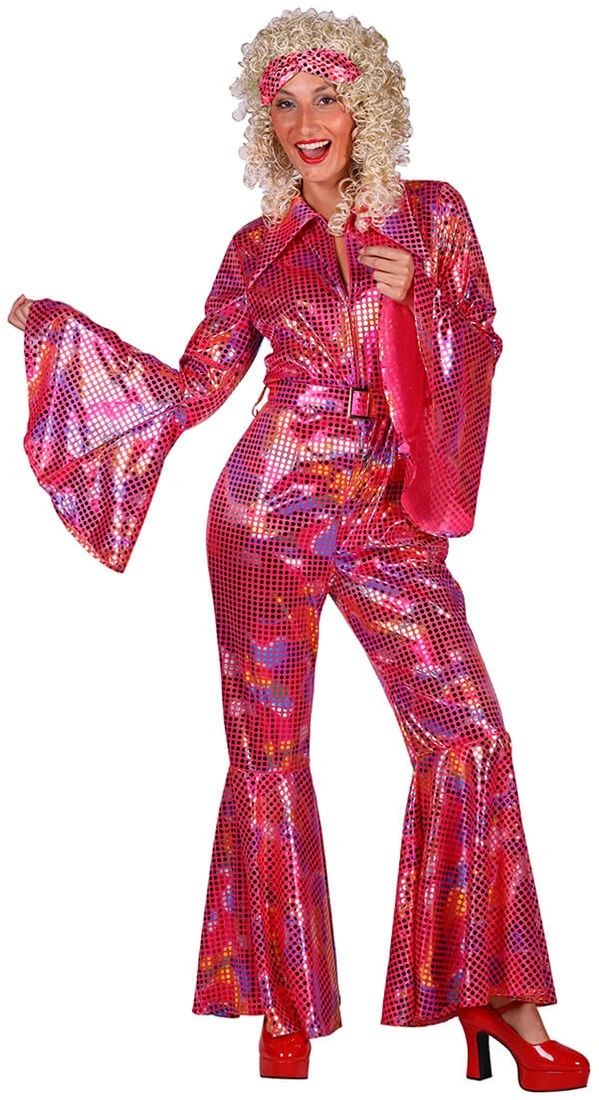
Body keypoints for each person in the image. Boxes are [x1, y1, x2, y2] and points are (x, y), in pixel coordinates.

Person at [8, 6, 590, 1090]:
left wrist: (420, 304)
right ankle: (283, 1000)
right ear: (262, 118)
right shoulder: (256, 246)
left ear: (367, 105)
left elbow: (479, 347)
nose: (305, 120)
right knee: (268, 755)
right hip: (264, 517)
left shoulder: (431, 214)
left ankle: (496, 994)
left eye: (326, 97)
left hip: (388, 522)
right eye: (282, 102)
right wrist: (59, 336)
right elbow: (195, 385)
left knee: (467, 733)